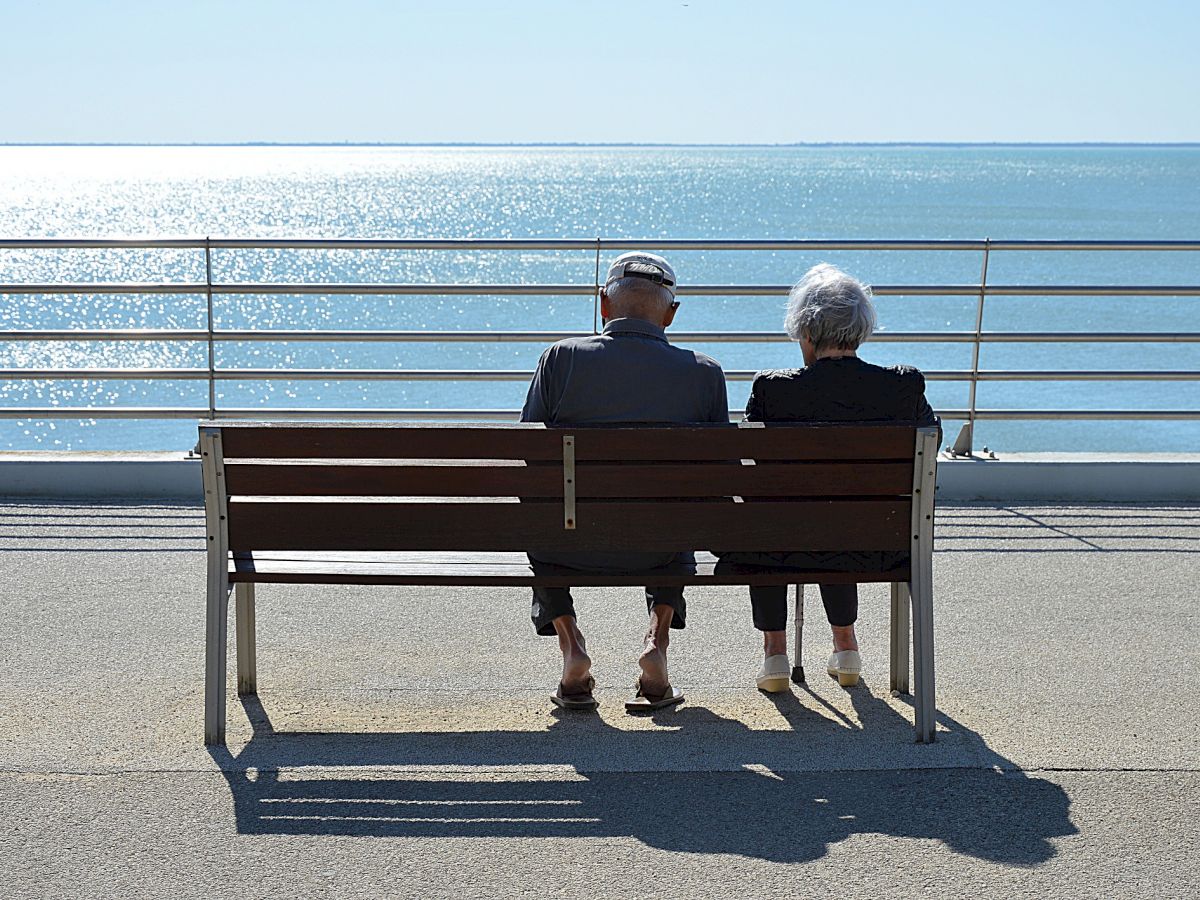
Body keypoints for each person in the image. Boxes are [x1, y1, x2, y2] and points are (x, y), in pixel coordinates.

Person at [521, 251, 729, 712]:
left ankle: (571, 645)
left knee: (542, 519)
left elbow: (529, 462)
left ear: (604, 305)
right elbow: (719, 481)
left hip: (567, 544)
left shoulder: (560, 358)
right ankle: (656, 645)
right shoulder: (705, 373)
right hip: (659, 546)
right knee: (680, 519)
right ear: (671, 314)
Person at [720, 263, 939, 692]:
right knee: (839, 520)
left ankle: (775, 655)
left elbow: (748, 469)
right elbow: (929, 451)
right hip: (878, 545)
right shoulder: (903, 387)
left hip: (783, 549)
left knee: (771, 524)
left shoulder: (773, 390)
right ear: (862, 329)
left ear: (805, 330)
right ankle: (846, 646)